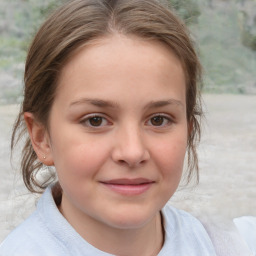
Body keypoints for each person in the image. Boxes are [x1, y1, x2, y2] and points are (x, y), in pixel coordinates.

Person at [0, 0, 255, 255]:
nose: (132, 152)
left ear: (188, 130)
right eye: (95, 120)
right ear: (41, 137)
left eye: (158, 120)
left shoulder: (231, 245)